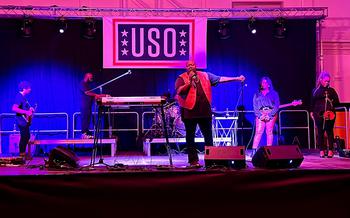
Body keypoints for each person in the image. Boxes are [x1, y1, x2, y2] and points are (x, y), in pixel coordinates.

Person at [175, 60, 245, 167]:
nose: (190, 67)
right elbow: (179, 91)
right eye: (188, 65)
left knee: (208, 137)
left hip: (204, 111)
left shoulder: (205, 75)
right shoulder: (181, 78)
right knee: (190, 137)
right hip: (189, 112)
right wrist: (189, 82)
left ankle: (210, 161)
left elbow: (220, 79)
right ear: (186, 67)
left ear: (195, 66)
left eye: (192, 65)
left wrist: (236, 78)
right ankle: (193, 161)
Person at [310, 72, 339, 158]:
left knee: (329, 131)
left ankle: (330, 150)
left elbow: (337, 102)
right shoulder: (315, 90)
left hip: (330, 114)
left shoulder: (332, 91)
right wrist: (311, 112)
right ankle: (321, 150)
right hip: (318, 114)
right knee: (320, 132)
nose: (327, 82)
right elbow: (312, 102)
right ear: (321, 80)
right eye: (326, 81)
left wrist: (331, 106)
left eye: (328, 81)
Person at [252, 76, 280, 154]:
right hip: (260, 114)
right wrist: (260, 115)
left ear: (269, 84)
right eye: (262, 82)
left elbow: (276, 105)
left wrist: (270, 115)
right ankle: (254, 151)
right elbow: (255, 106)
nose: (263, 84)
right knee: (258, 132)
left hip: (271, 114)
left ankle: (269, 151)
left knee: (269, 132)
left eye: (265, 82)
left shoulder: (274, 93)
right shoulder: (257, 94)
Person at [80, 72, 109, 139]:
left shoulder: (87, 85)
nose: (92, 78)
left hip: (88, 105)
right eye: (91, 77)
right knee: (85, 118)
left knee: (87, 119)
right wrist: (97, 95)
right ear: (87, 76)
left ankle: (86, 133)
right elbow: (87, 93)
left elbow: (92, 94)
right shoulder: (82, 84)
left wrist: (104, 95)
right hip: (85, 105)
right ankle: (84, 134)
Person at [12, 81, 35, 160]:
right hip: (21, 121)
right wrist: (26, 112)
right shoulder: (19, 97)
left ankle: (23, 154)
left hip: (25, 121)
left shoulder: (23, 98)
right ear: (24, 88)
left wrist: (30, 109)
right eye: (29, 88)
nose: (30, 89)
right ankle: (21, 155)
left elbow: (24, 107)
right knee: (24, 137)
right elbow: (14, 108)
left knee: (27, 136)